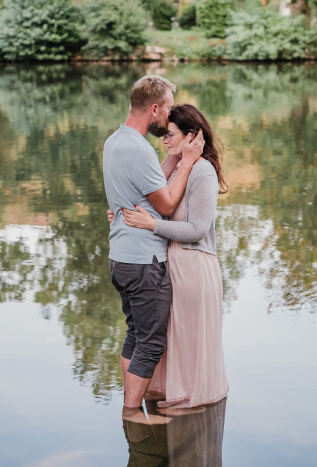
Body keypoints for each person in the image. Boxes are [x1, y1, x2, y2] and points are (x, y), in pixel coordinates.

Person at [109, 104, 229, 410]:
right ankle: (152, 404)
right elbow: (150, 199)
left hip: (192, 265)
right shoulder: (178, 168)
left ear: (191, 137)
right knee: (166, 341)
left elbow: (198, 229)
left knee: (187, 343)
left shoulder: (201, 171)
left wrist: (152, 224)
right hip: (171, 263)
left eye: (171, 135)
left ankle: (185, 412)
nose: (164, 139)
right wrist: (120, 213)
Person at [103, 76, 205, 425]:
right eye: (168, 106)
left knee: (134, 333)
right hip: (145, 261)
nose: (168, 118)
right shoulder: (140, 149)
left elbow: (144, 188)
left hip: (120, 258)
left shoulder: (114, 142)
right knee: (150, 342)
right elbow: (164, 203)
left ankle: (133, 399)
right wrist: (188, 162)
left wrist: (175, 159)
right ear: (155, 108)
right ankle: (133, 412)